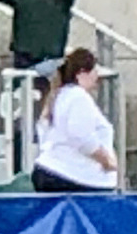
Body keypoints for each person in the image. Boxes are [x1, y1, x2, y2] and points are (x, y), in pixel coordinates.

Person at [29, 50, 117, 192]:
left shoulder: (58, 96)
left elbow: (43, 127)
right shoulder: (79, 98)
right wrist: (106, 161)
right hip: (77, 177)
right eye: (94, 71)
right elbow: (82, 137)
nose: (97, 77)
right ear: (82, 73)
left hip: (53, 169)